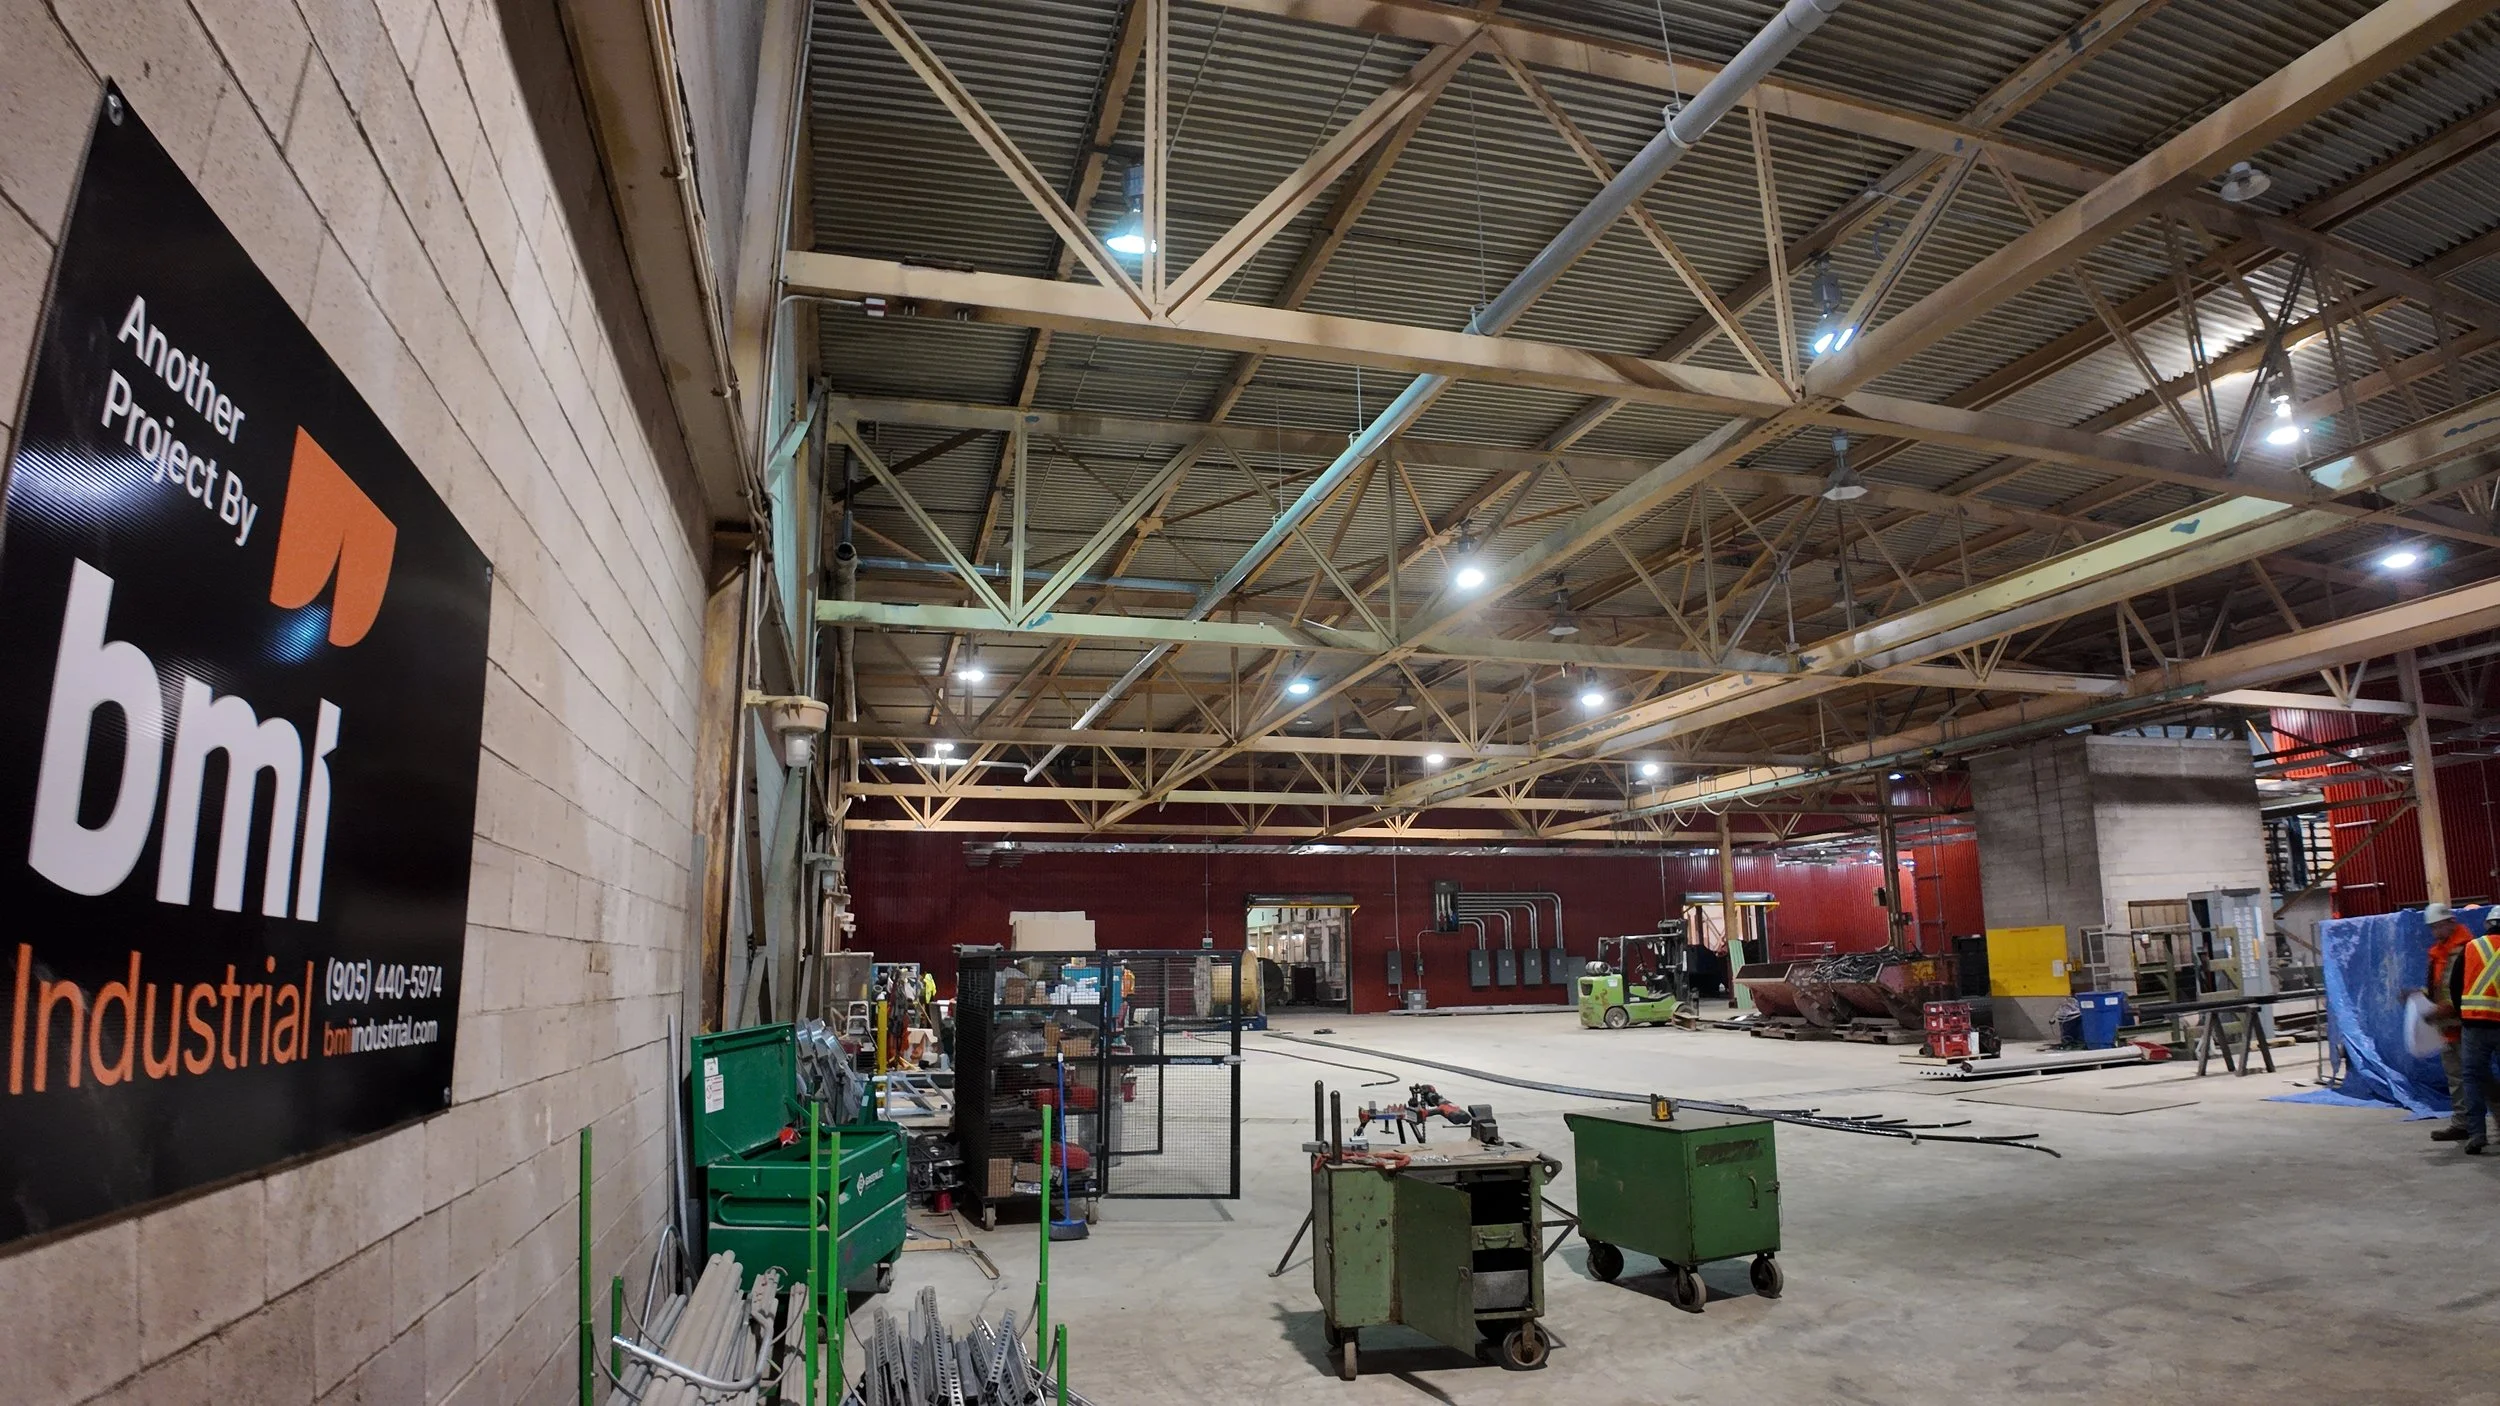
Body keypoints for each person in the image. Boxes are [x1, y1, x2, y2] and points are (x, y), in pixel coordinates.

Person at [2421, 902, 2477, 1142]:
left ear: (2451, 922)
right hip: (2448, 1024)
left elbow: (2467, 988)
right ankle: (2463, 1123)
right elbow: (2439, 986)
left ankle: (2484, 1125)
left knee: (2477, 1076)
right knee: (2456, 1077)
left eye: (2438, 926)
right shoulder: (2439, 953)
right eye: (2432, 928)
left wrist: (2445, 1010)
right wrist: (2420, 996)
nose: (2435, 932)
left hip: (2466, 1023)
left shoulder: (2466, 950)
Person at [2449, 911, 2500, 1155]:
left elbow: (2455, 985)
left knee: (2472, 1078)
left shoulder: (2471, 948)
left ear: (2488, 924)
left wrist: (2464, 1014)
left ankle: (2477, 1134)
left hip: (2474, 1024)